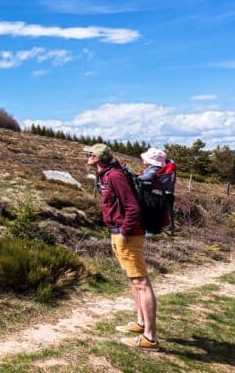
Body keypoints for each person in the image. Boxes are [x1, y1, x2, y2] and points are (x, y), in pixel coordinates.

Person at [85, 143, 159, 351]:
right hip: (119, 233)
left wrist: (125, 232)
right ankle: (141, 323)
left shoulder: (115, 176)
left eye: (90, 154)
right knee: (134, 281)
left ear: (98, 158)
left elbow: (132, 208)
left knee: (141, 282)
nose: (87, 157)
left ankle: (150, 338)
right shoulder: (106, 175)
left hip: (127, 235)